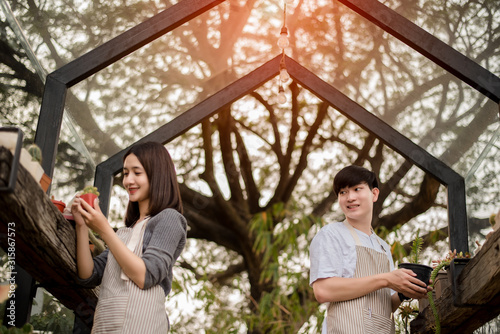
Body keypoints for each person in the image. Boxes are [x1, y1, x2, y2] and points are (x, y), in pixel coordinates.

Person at [72, 141, 187, 333]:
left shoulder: (169, 219)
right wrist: (82, 226)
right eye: (125, 173)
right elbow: (88, 275)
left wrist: (104, 230)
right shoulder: (124, 233)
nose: (128, 181)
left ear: (156, 174)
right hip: (105, 326)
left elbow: (146, 276)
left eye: (137, 172)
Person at [309, 165, 431, 333]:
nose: (349, 197)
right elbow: (323, 290)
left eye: (356, 189)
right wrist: (387, 279)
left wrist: (405, 291)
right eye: (343, 192)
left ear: (374, 194)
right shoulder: (331, 234)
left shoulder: (383, 247)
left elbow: (382, 307)